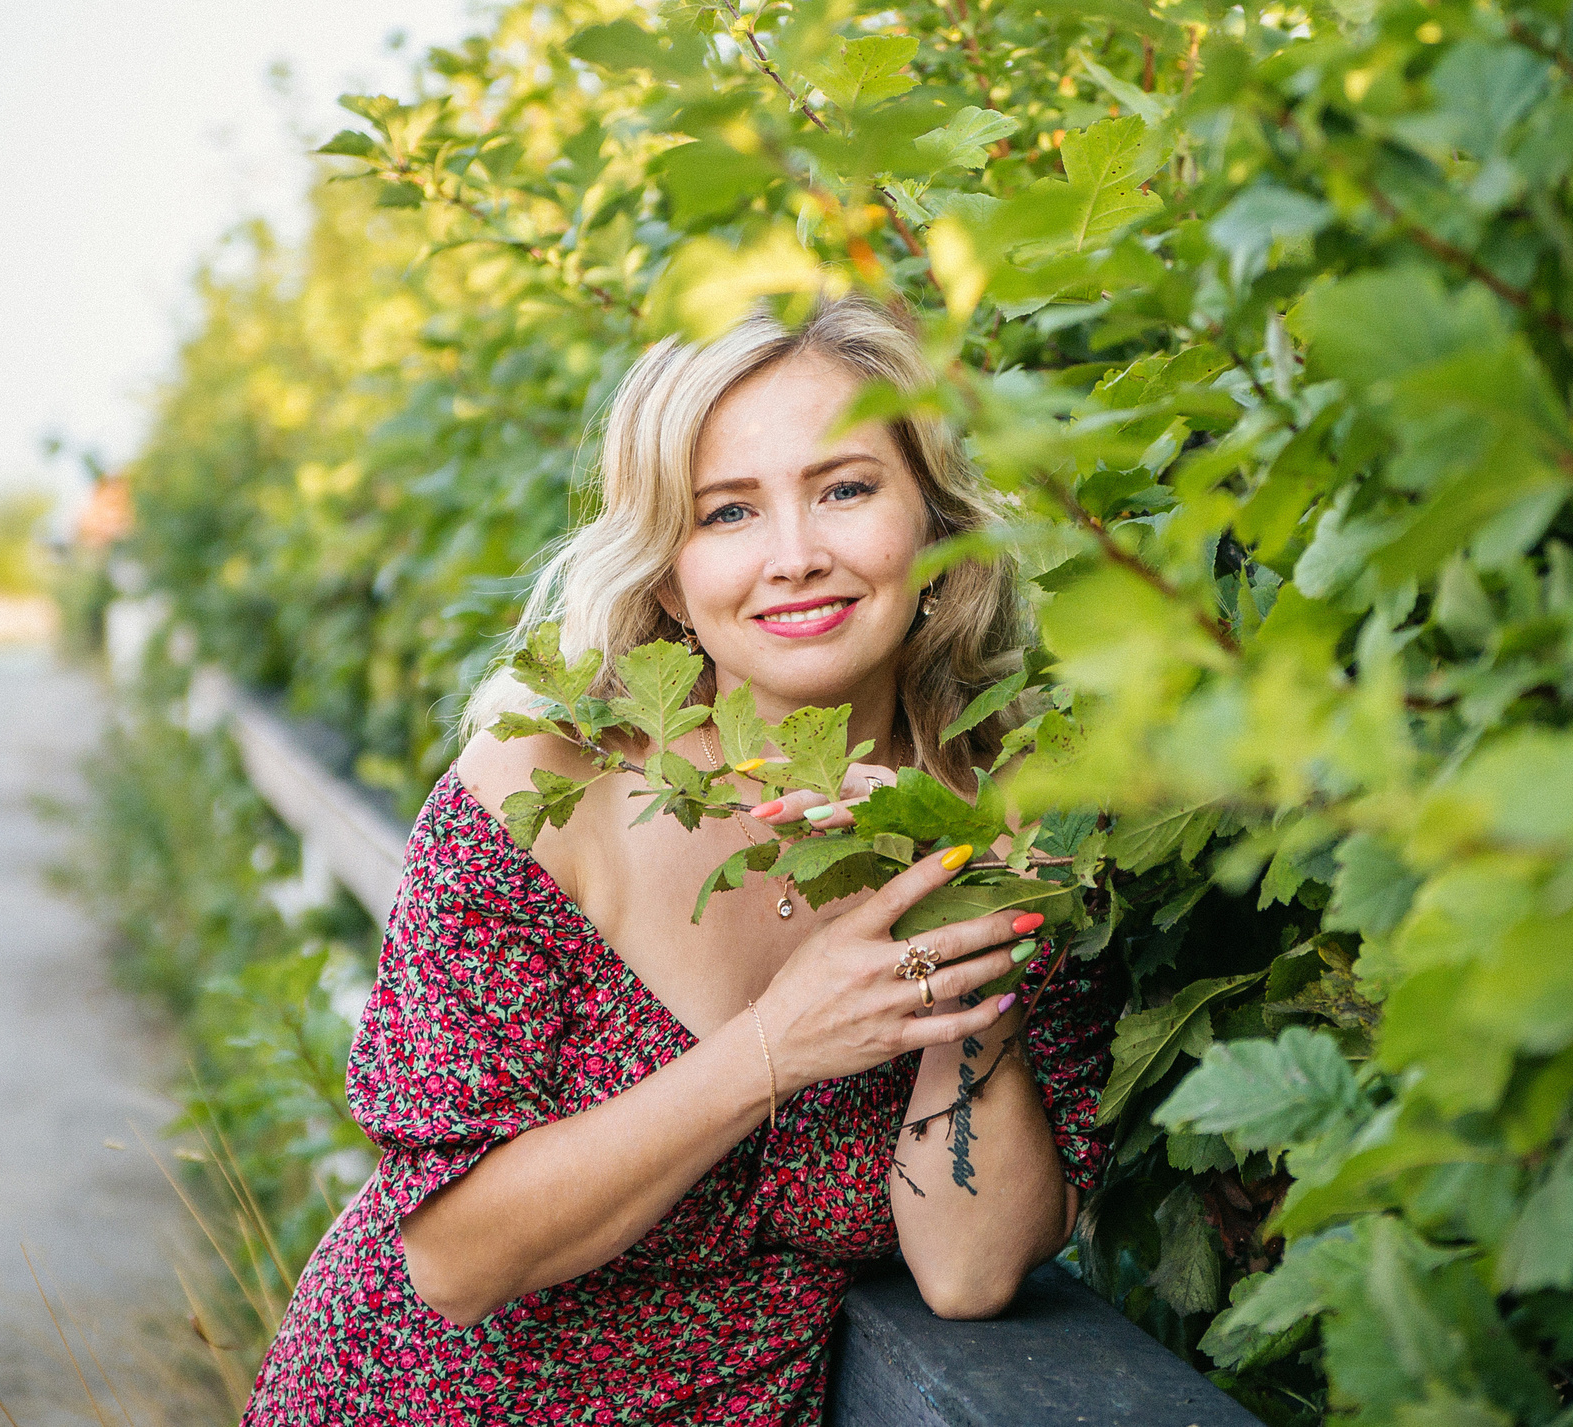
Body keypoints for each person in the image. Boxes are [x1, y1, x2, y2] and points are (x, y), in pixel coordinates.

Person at [240, 296, 1118, 1423]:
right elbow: (453, 1258)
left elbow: (968, 1273)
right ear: (666, 573)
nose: (795, 557)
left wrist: (965, 933)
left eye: (845, 489)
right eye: (727, 513)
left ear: (938, 532)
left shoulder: (1020, 819)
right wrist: (776, 1046)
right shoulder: (549, 791)